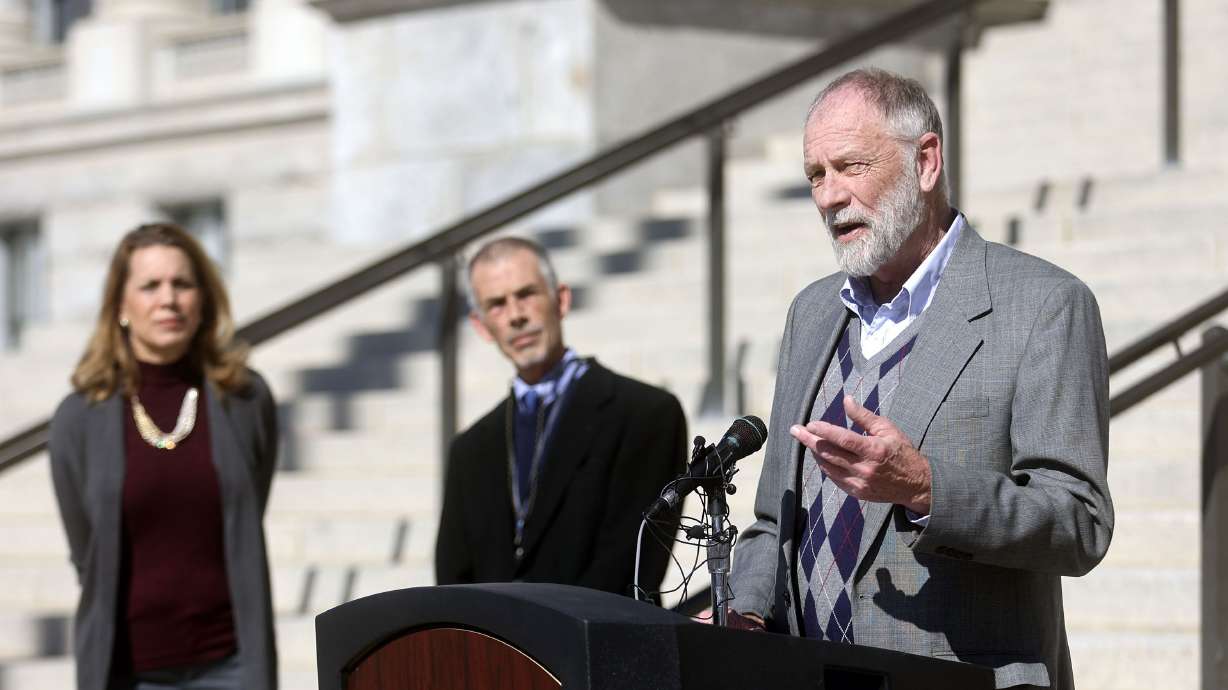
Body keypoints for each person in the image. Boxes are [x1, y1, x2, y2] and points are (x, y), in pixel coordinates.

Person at [727, 68, 1113, 690]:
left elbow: (1078, 523)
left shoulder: (1043, 305)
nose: (828, 196)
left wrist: (926, 488)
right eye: (815, 175)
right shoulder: (812, 312)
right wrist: (745, 609)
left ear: (926, 161)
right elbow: (775, 520)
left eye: (850, 166)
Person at [49, 223, 278, 690]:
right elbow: (86, 554)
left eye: (183, 284)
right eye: (150, 285)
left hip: (231, 665)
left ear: (204, 300)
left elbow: (249, 507)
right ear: (121, 305)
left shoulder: (246, 398)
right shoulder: (79, 416)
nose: (168, 299)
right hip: (130, 673)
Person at [435, 237, 687, 597]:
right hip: (493, 650)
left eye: (526, 294)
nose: (516, 315)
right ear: (480, 326)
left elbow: (633, 566)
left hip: (601, 644)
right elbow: (453, 588)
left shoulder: (646, 414)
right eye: (497, 304)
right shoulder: (469, 449)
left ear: (561, 299)